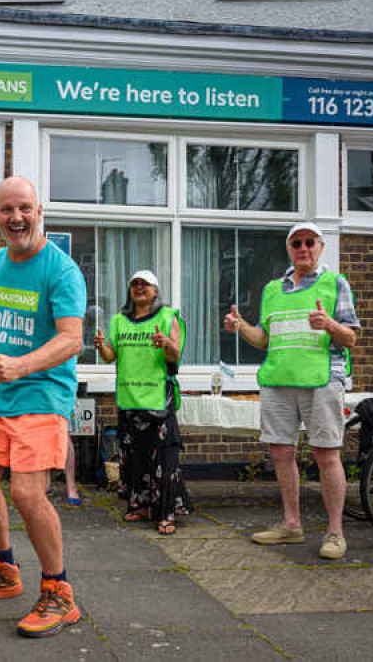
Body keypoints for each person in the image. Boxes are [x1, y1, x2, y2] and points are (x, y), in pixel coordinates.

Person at [0, 176, 85, 639]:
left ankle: (59, 593)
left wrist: (22, 366)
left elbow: (72, 339)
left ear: (39, 209)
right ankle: (3, 570)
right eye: (7, 210)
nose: (16, 218)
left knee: (28, 493)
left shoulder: (61, 271)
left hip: (42, 396)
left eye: (24, 208)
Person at [223, 222, 359, 560]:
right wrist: (241, 328)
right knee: (281, 453)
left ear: (321, 246)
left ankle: (335, 533)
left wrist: (329, 325)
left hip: (321, 379)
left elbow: (351, 338)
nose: (304, 248)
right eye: (297, 242)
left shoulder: (335, 283)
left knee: (326, 455)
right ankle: (291, 525)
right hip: (278, 380)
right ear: (288, 248)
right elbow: (265, 339)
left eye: (310, 242)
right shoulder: (272, 290)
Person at [93, 270, 190, 535]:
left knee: (163, 459)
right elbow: (111, 357)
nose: (139, 288)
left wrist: (166, 343)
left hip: (157, 398)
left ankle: (166, 513)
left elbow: (176, 354)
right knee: (135, 458)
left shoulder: (167, 316)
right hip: (128, 399)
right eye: (134, 284)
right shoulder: (118, 320)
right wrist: (101, 346)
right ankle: (142, 506)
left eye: (145, 284)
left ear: (155, 291)